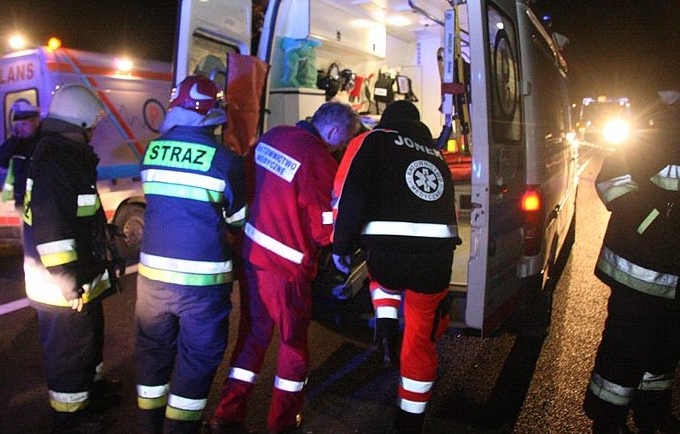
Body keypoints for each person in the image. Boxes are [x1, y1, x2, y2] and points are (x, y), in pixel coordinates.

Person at [208, 101, 359, 434]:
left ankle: (226, 415)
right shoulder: (319, 159)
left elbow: (246, 185)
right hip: (286, 269)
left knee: (251, 337)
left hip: (252, 256)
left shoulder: (273, 136)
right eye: (344, 140)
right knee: (293, 348)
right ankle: (283, 423)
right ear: (334, 131)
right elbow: (324, 230)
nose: (342, 146)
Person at [331, 100, 459, 434]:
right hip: (435, 263)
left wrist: (341, 246)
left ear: (386, 121)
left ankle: (386, 334)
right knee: (420, 343)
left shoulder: (376, 140)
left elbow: (353, 195)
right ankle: (410, 423)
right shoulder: (435, 154)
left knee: (382, 280)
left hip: (387, 256)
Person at [135, 75, 247, 434]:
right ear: (212, 114)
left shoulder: (152, 151)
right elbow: (238, 219)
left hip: (152, 279)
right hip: (202, 284)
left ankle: (149, 425)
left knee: (153, 353)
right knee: (197, 358)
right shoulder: (224, 160)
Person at [22, 83, 119, 434]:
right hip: (60, 283)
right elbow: (53, 230)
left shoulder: (66, 155)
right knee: (69, 352)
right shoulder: (57, 161)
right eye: (92, 124)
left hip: (79, 274)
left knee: (88, 341)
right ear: (79, 123)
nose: (95, 130)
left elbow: (78, 214)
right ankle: (70, 416)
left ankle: (91, 392)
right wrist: (68, 281)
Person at [582, 87, 680, 434]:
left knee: (665, 352)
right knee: (625, 349)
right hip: (639, 271)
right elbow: (613, 179)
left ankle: (652, 411)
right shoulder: (660, 132)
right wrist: (654, 228)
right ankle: (607, 418)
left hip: (673, 278)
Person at [0, 100, 42, 208]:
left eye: (24, 124)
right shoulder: (17, 144)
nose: (21, 128)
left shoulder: (44, 142)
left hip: (42, 202)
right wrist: (14, 139)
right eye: (18, 125)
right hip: (22, 202)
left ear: (36, 122)